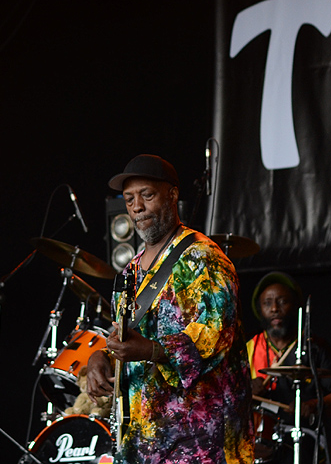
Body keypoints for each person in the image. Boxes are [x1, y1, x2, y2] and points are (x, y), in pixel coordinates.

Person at [85, 154, 253, 464]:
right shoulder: (129, 273)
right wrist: (103, 357)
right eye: (129, 199)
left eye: (147, 195)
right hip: (143, 441)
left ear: (172, 195)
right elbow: (128, 339)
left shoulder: (203, 257)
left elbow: (215, 337)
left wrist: (151, 350)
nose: (137, 207)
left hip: (199, 440)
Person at [246, 272, 331, 463]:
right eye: (267, 303)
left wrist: (313, 405)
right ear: (259, 309)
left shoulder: (315, 348)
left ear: (295, 306)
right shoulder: (249, 349)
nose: (275, 308)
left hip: (305, 441)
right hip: (258, 443)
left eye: (282, 301)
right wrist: (245, 389)